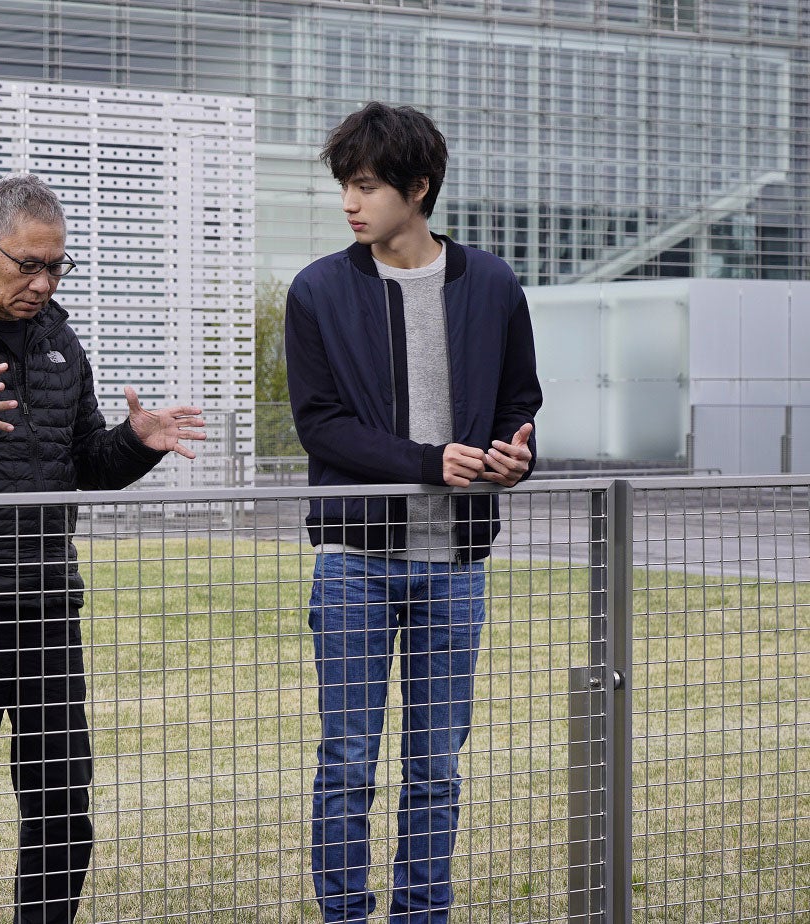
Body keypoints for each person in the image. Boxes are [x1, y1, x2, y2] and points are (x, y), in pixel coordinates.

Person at [0, 173, 206, 924]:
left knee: (62, 801)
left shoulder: (60, 338)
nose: (44, 282)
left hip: (48, 603)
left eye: (57, 266)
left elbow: (87, 463)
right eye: (29, 264)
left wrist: (136, 442)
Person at [284, 103, 542, 922]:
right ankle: (345, 916)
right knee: (350, 761)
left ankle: (423, 913)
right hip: (355, 562)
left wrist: (514, 457)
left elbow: (520, 402)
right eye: (346, 187)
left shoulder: (493, 284)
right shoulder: (319, 290)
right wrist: (430, 463)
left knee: (436, 766)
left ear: (418, 187)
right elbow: (321, 425)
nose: (351, 204)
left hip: (458, 567)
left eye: (366, 187)